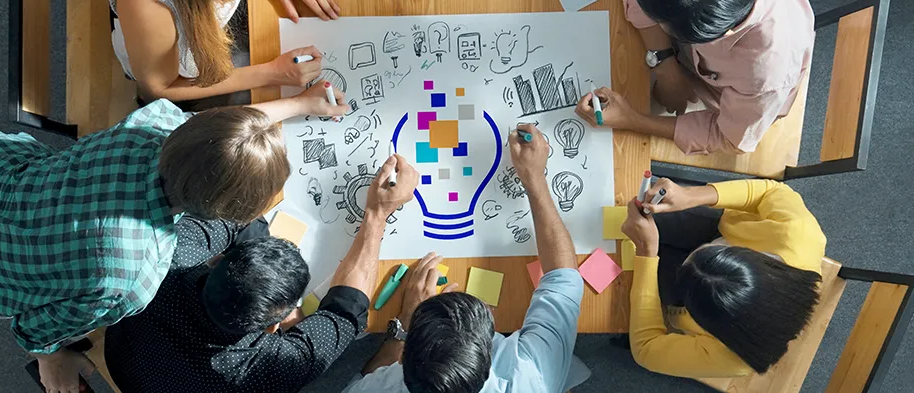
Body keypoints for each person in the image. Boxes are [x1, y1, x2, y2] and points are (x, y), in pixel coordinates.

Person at [0, 85, 347, 393]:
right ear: (215, 213)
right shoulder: (132, 278)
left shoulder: (153, 124)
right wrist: (51, 357)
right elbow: (37, 324)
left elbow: (219, 130)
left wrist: (299, 103)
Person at [103, 153, 421, 393]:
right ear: (277, 327)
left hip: (123, 358)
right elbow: (349, 309)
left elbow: (231, 217)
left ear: (217, 261)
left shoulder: (164, 259)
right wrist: (378, 213)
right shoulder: (270, 368)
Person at [342, 124, 590, 392]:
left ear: (402, 360)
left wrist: (403, 325)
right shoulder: (532, 375)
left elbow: (358, 384)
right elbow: (564, 277)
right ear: (488, 355)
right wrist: (534, 178)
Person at [577, 0, 814, 155]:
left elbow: (729, 139)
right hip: (693, 54)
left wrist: (631, 120)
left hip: (733, 99)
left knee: (630, 112)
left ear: (721, 37)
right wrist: (666, 68)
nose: (657, 29)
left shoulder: (765, 74)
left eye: (667, 29)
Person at [110, 0, 343, 110]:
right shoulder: (147, 1)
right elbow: (160, 87)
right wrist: (272, 73)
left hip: (207, 24)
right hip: (174, 69)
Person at [621, 178, 826, 377]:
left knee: (619, 271)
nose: (697, 250)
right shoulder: (798, 234)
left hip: (683, 292)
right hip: (715, 227)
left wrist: (647, 253)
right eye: (717, 249)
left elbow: (646, 350)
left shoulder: (734, 359)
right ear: (750, 256)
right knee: (633, 203)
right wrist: (690, 195)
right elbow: (770, 191)